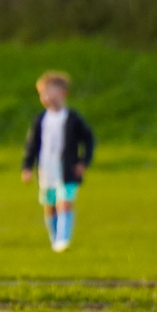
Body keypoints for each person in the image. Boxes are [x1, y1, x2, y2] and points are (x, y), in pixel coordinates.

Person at [21, 71, 94, 252]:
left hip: (67, 169)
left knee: (64, 201)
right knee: (50, 205)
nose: (45, 97)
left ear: (62, 93)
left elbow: (88, 139)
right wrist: (27, 166)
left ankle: (63, 239)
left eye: (48, 92)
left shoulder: (72, 118)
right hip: (47, 168)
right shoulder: (41, 119)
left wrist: (83, 161)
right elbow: (32, 144)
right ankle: (54, 238)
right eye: (42, 94)